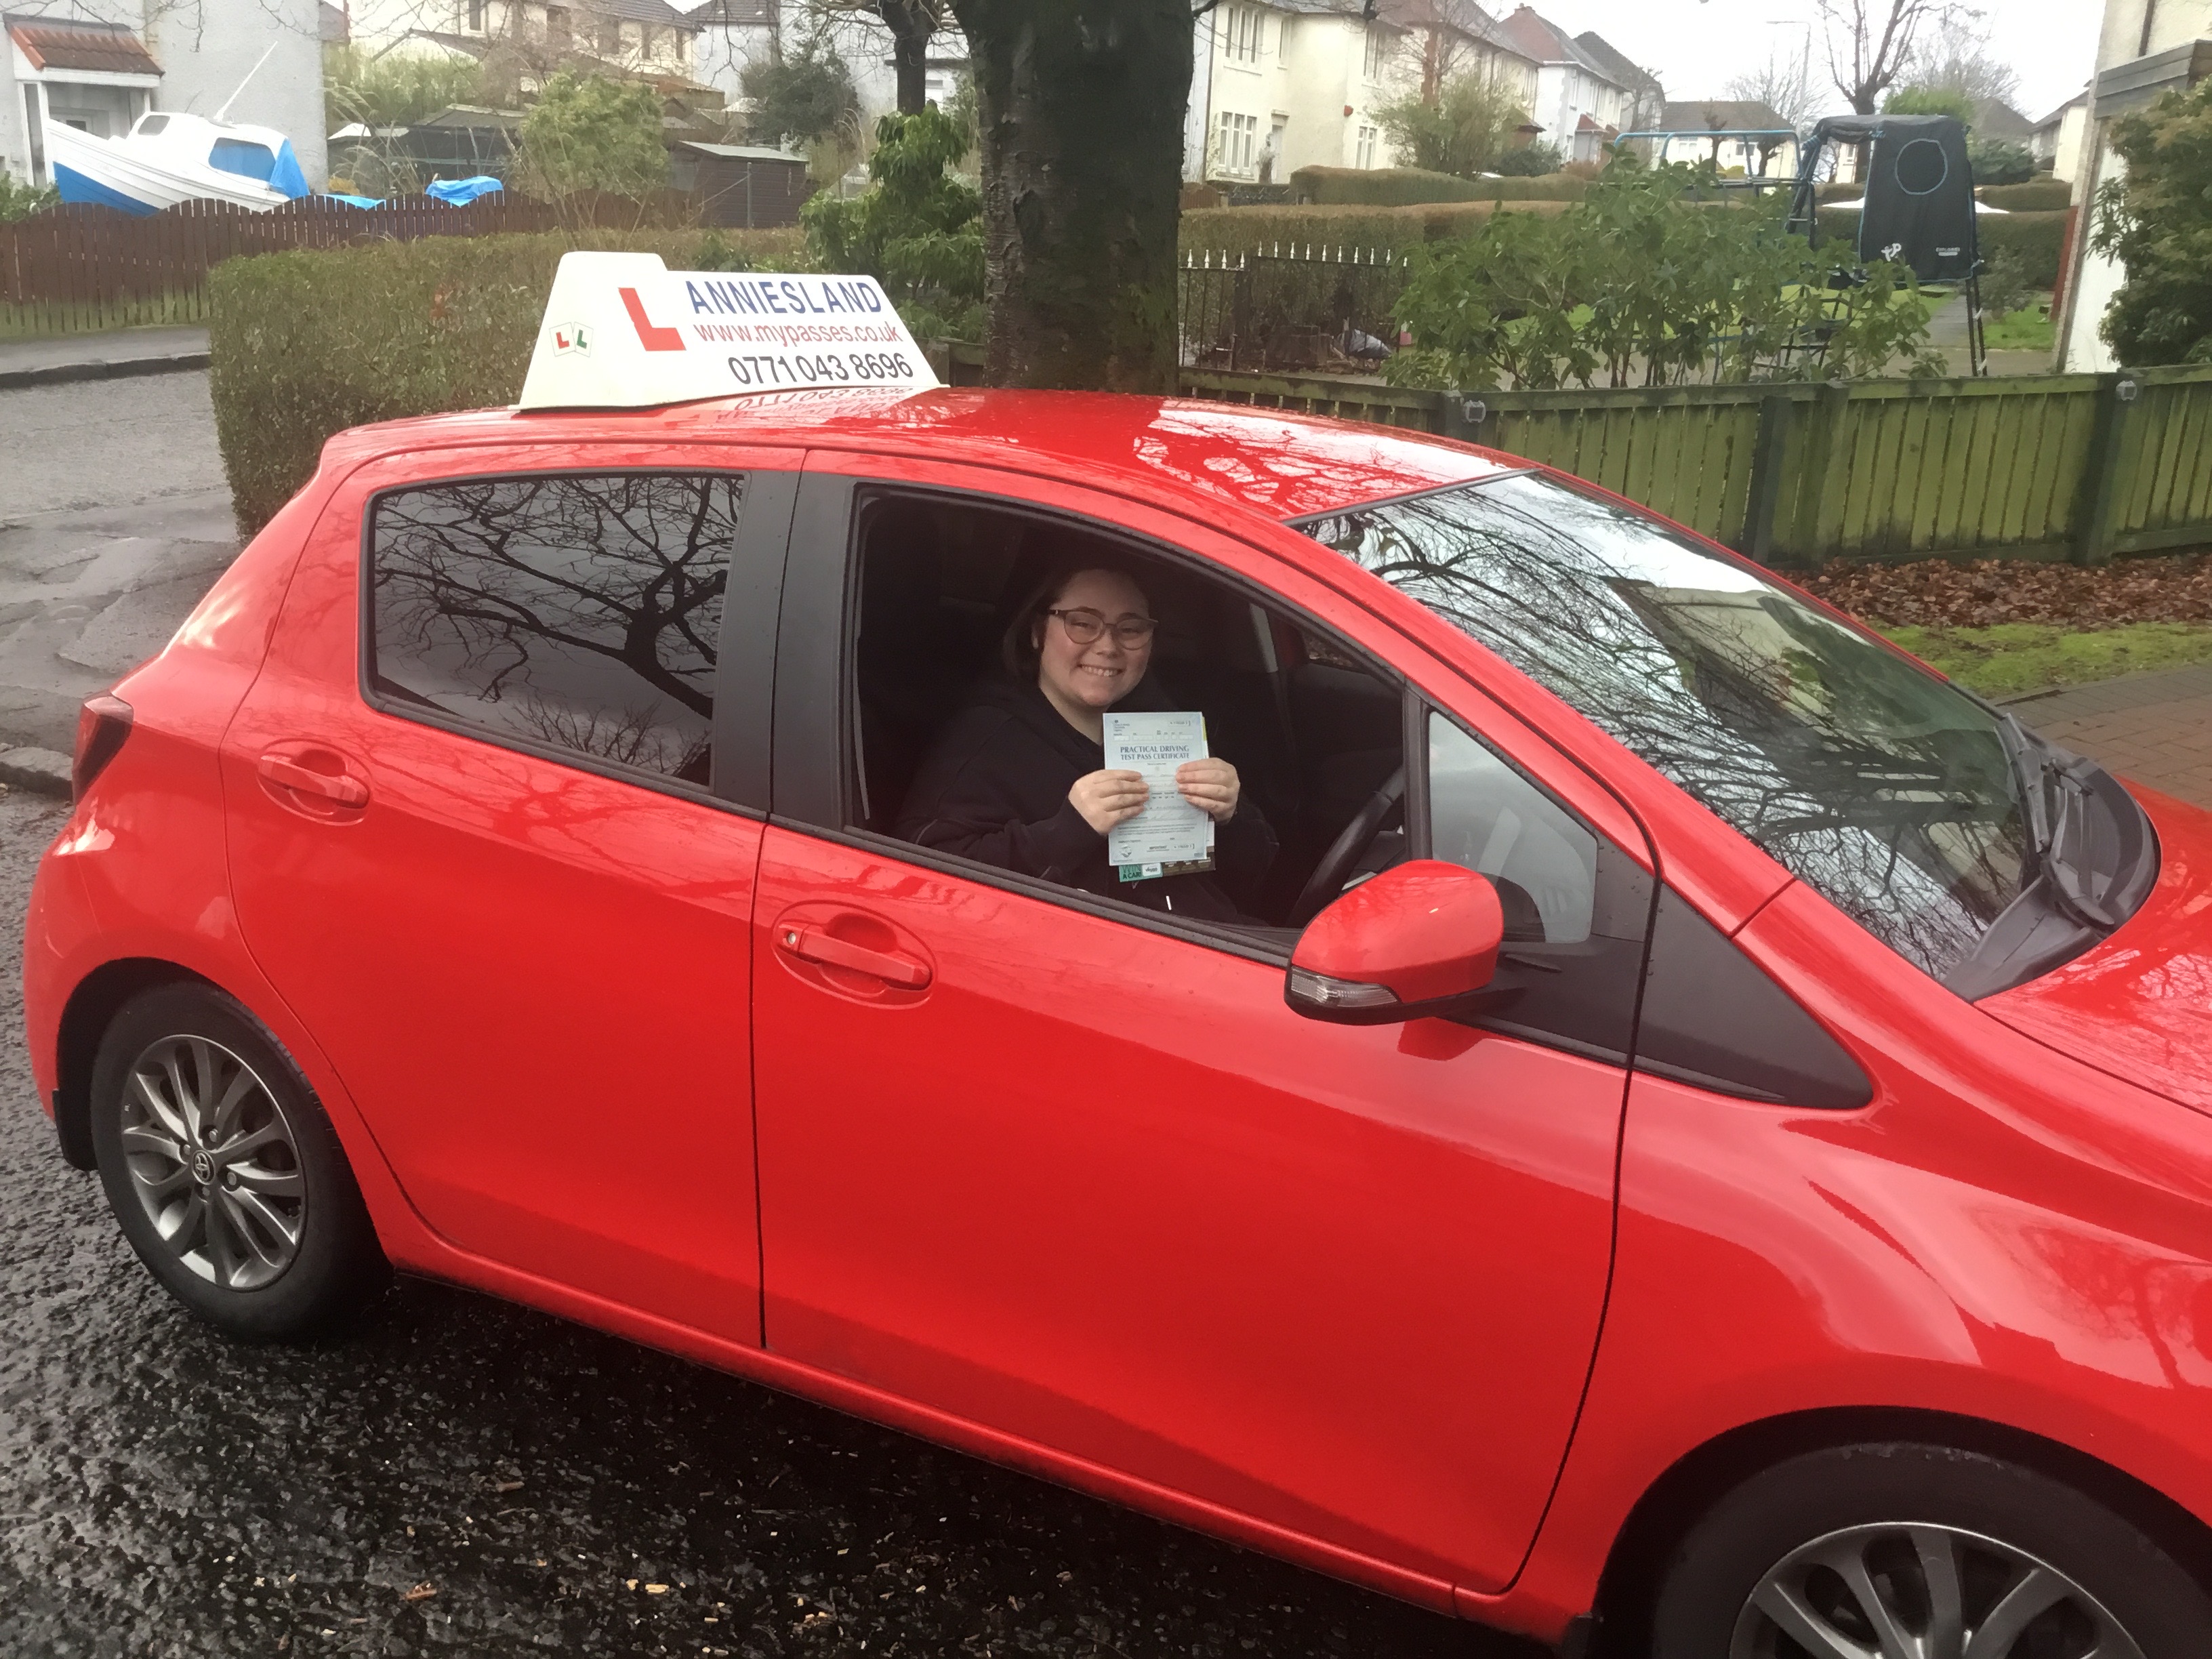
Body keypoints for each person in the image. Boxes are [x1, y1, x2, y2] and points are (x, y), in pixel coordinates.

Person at [897, 564, 1277, 922]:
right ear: (1036, 632)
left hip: (1203, 940)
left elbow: (1251, 876)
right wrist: (1066, 832)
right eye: (1082, 623)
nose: (1108, 645)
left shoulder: (1162, 729)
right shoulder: (987, 743)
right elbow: (921, 879)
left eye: (1130, 629)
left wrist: (1231, 816)